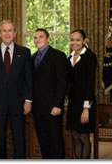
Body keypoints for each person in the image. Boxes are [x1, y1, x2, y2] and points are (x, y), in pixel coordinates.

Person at [0, 20, 33, 159]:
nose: (7, 33)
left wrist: (28, 100)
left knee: (19, 139)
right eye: (4, 30)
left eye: (10, 30)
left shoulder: (24, 52)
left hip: (18, 103)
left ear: (15, 33)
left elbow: (28, 79)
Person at [31, 28, 68, 159]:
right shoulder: (33, 57)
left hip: (53, 107)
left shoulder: (58, 55)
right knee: (43, 141)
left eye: (41, 37)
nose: (37, 40)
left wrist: (58, 105)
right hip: (37, 108)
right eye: (35, 37)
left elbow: (62, 82)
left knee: (55, 141)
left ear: (48, 39)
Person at [66, 29, 97, 159]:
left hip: (86, 103)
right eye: (72, 39)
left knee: (84, 137)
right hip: (73, 103)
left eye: (78, 40)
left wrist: (86, 108)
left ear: (84, 41)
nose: (74, 42)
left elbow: (90, 84)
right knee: (75, 136)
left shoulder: (89, 57)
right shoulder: (70, 57)